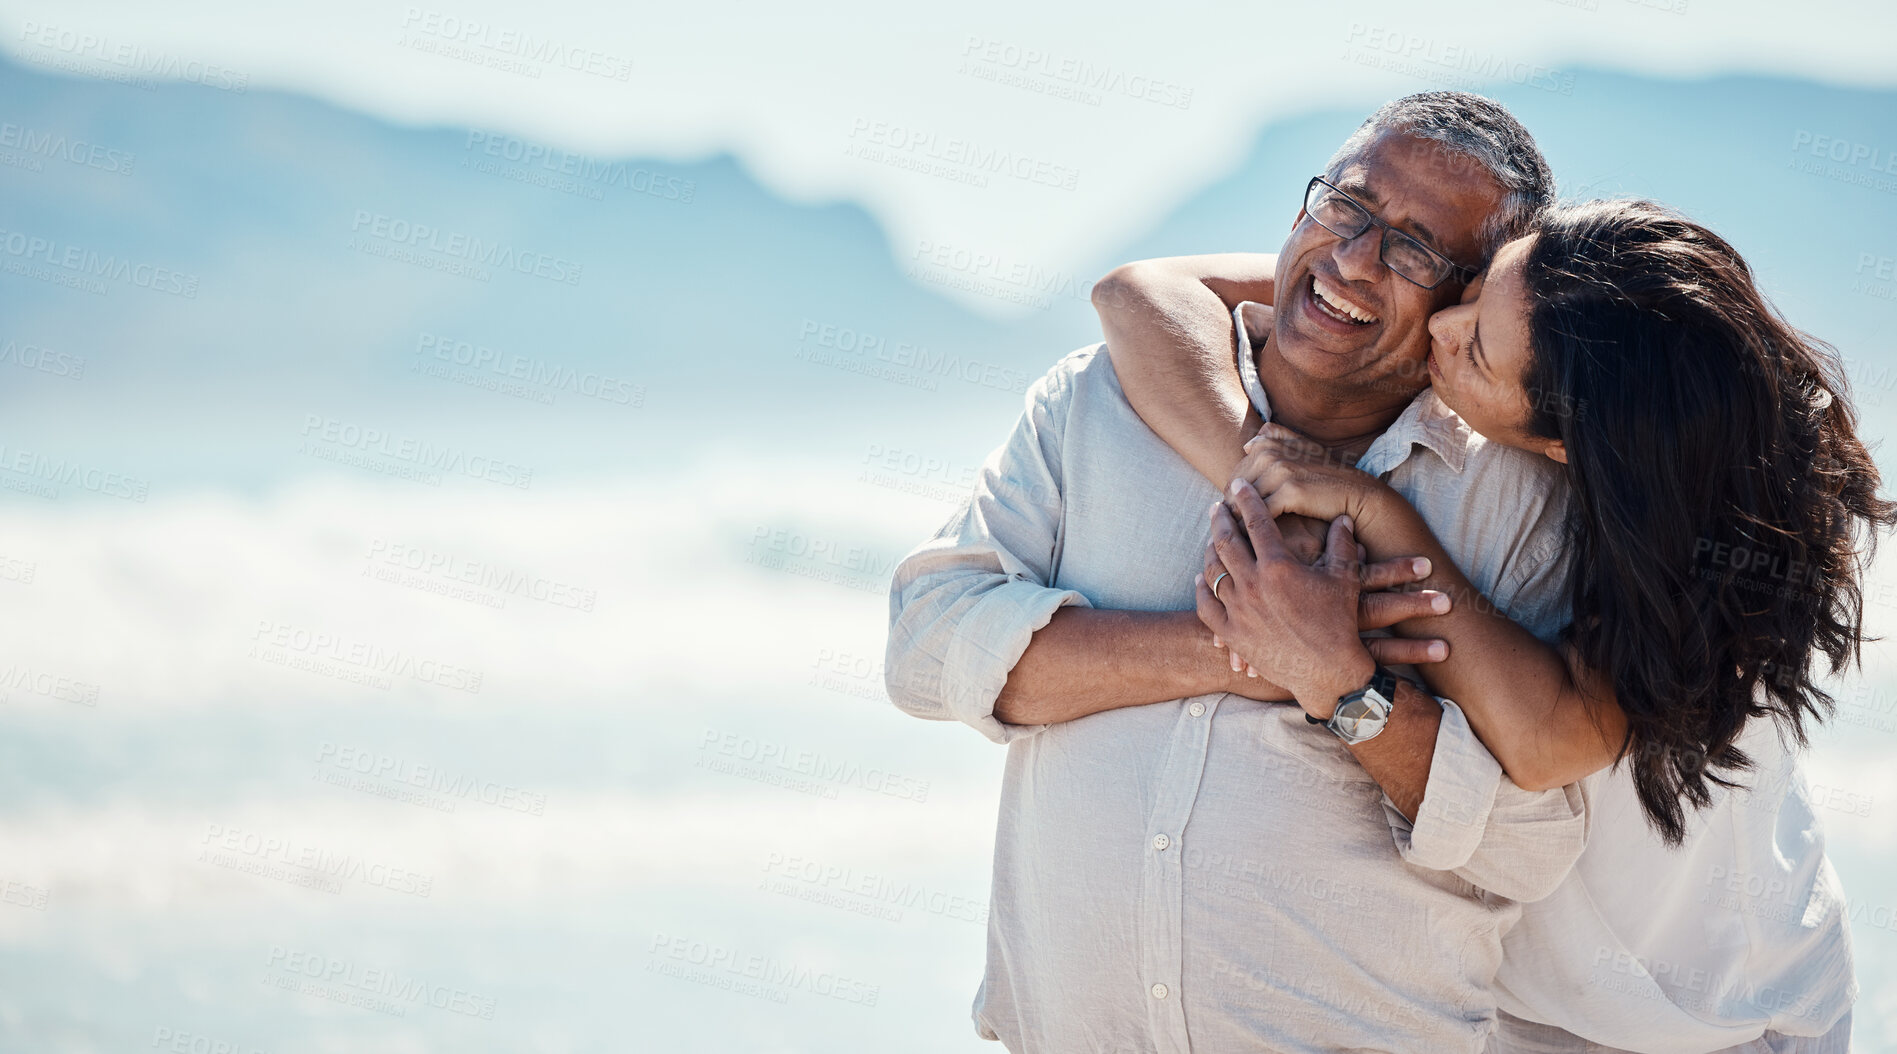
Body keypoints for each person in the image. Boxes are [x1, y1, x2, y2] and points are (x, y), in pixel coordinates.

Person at [887, 92, 1591, 1053]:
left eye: (1415, 251)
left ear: (1465, 301)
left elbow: (1533, 844)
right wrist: (1243, 650)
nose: (1350, 260)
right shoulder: (1098, 400)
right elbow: (925, 646)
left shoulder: (1511, 500)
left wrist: (1346, 687)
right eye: (1343, 205)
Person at [1103, 197, 1888, 1050]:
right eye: (1476, 291)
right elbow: (1139, 294)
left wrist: (1375, 515)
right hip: (1519, 1012)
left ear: (1562, 447)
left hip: (1714, 1022)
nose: (1441, 327)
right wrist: (1266, 479)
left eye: (1473, 349)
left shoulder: (1686, 556)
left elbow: (1549, 740)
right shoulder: (1569, 302)